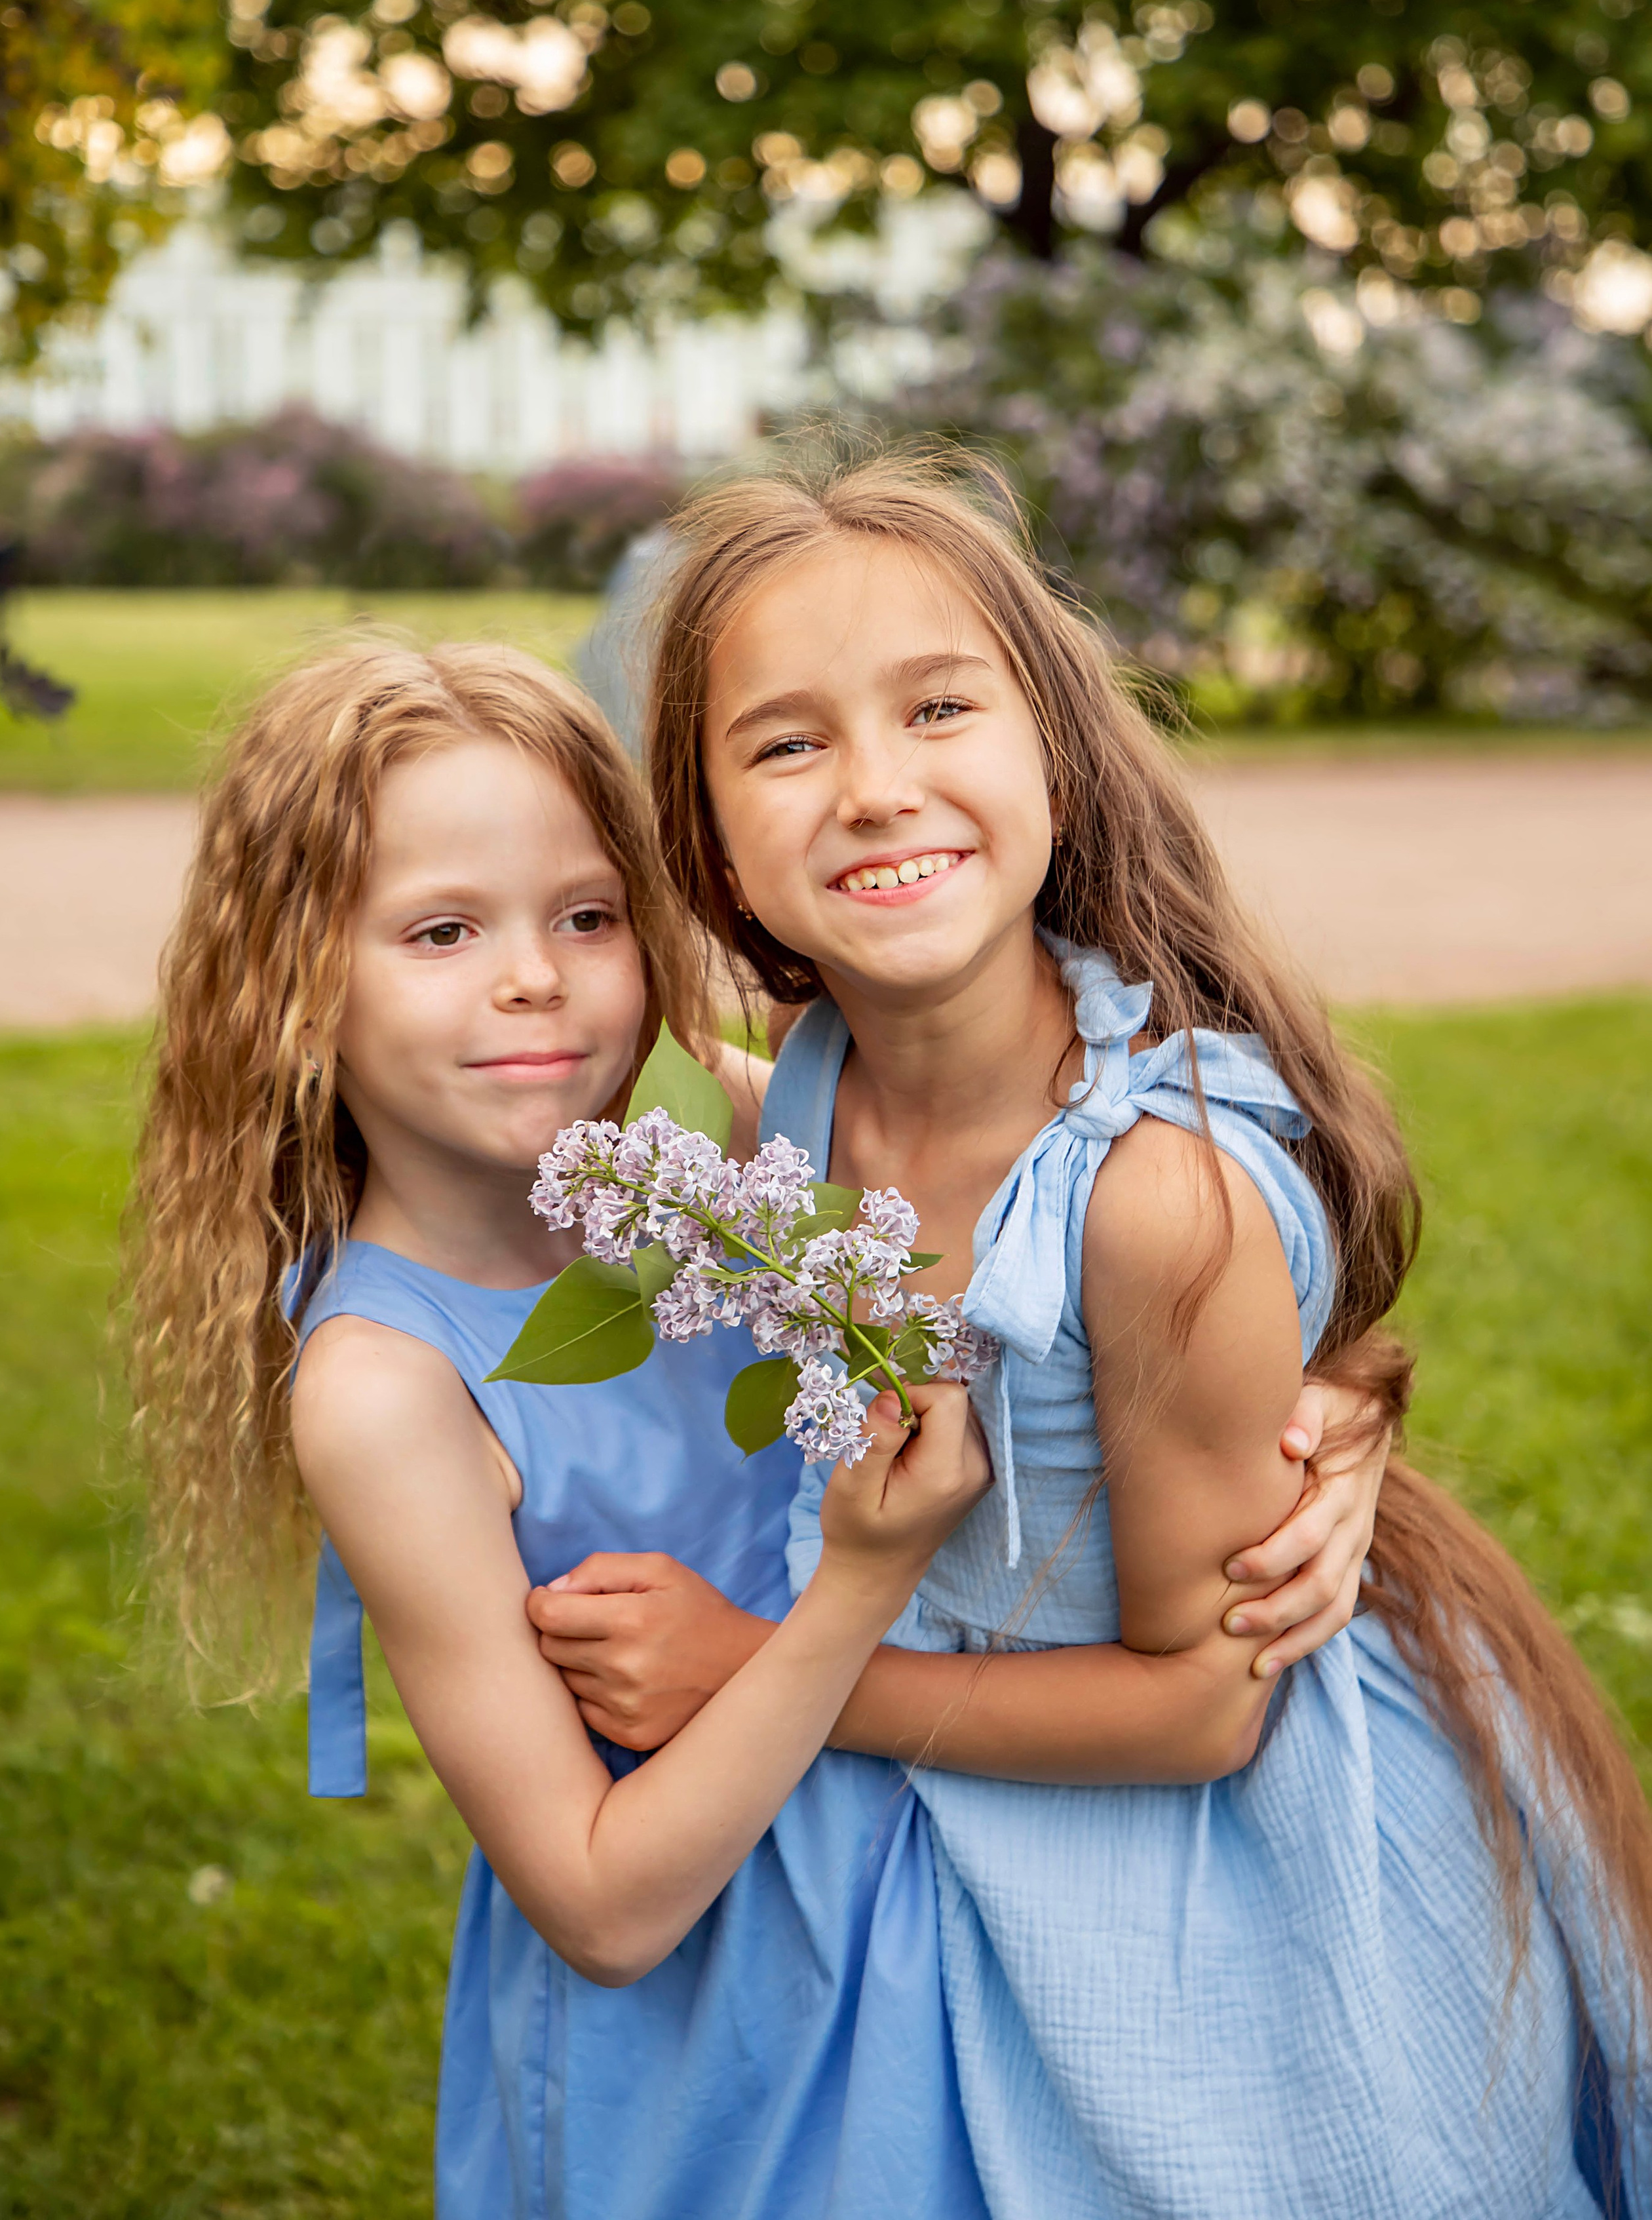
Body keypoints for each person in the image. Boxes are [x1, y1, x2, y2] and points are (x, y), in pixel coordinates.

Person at [128, 634, 1383, 2218]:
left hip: (928, 1887)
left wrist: (1333, 1426)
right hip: (714, 2002)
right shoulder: (386, 1388)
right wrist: (855, 1591)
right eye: (441, 930)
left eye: (586, 917)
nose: (535, 976)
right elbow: (597, 1905)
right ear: (292, 987)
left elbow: (1085, 1290)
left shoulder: (723, 1147)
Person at [550, 440, 1650, 2219]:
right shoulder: (808, 1089)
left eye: (935, 710)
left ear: (1053, 750)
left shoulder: (1158, 1200)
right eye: (784, 744)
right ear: (718, 852)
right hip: (909, 1800)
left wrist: (761, 1681)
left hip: (1177, 1854)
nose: (874, 789)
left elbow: (1207, 1708)